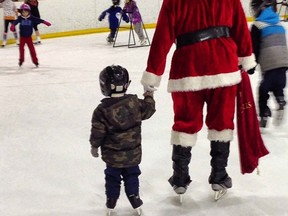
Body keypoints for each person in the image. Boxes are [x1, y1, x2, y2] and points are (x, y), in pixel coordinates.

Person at [141, 0, 257, 198]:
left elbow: (162, 38)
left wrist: (153, 75)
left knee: (185, 122)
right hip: (223, 65)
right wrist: (246, 57)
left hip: (188, 67)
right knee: (222, 122)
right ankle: (219, 176)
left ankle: (179, 178)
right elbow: (239, 27)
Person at [89, 65, 155, 215]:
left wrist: (94, 146)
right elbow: (149, 110)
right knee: (132, 175)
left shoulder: (101, 110)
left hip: (112, 156)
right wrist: (149, 95)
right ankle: (134, 197)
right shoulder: (135, 103)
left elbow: (97, 132)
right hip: (133, 154)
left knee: (112, 177)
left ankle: (111, 200)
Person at [250, 0, 287, 128]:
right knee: (277, 85)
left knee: (263, 90)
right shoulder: (278, 22)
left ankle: (264, 114)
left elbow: (253, 48)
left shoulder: (257, 25)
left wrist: (251, 65)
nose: (253, 12)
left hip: (270, 63)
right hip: (283, 62)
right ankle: (280, 99)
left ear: (260, 9)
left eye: (254, 9)